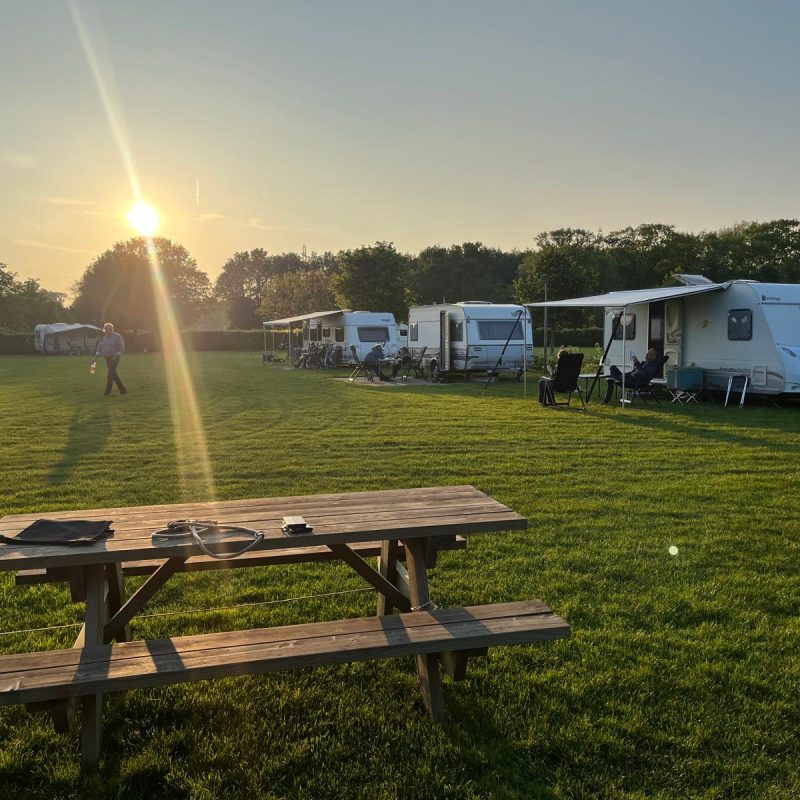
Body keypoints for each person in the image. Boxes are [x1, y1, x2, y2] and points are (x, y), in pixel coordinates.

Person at [94, 322, 127, 395]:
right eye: (105, 330)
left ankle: (107, 391)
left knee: (110, 374)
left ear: (111, 329)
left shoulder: (117, 336)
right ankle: (123, 390)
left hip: (115, 358)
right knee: (113, 374)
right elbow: (99, 348)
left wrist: (116, 355)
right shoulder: (104, 337)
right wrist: (95, 358)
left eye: (108, 330)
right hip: (107, 358)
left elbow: (121, 348)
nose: (106, 331)